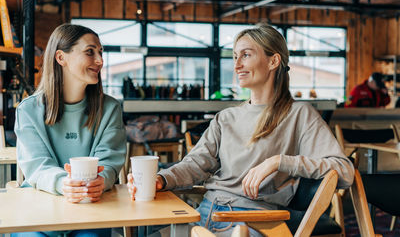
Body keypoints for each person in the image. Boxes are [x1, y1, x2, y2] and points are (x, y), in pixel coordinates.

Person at [128, 24, 354, 236]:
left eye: (245, 55)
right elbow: (195, 165)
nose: (236, 66)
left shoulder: (299, 114)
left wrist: (278, 162)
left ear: (273, 60)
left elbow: (344, 171)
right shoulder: (226, 118)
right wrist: (161, 179)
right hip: (204, 213)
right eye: (235, 57)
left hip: (254, 220)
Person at [14, 24, 126, 237]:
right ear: (60, 58)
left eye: (100, 53)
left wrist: (102, 181)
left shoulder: (110, 109)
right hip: (39, 212)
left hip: (91, 209)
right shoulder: (28, 110)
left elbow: (109, 161)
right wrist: (63, 183)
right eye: (90, 52)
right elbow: (37, 166)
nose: (100, 61)